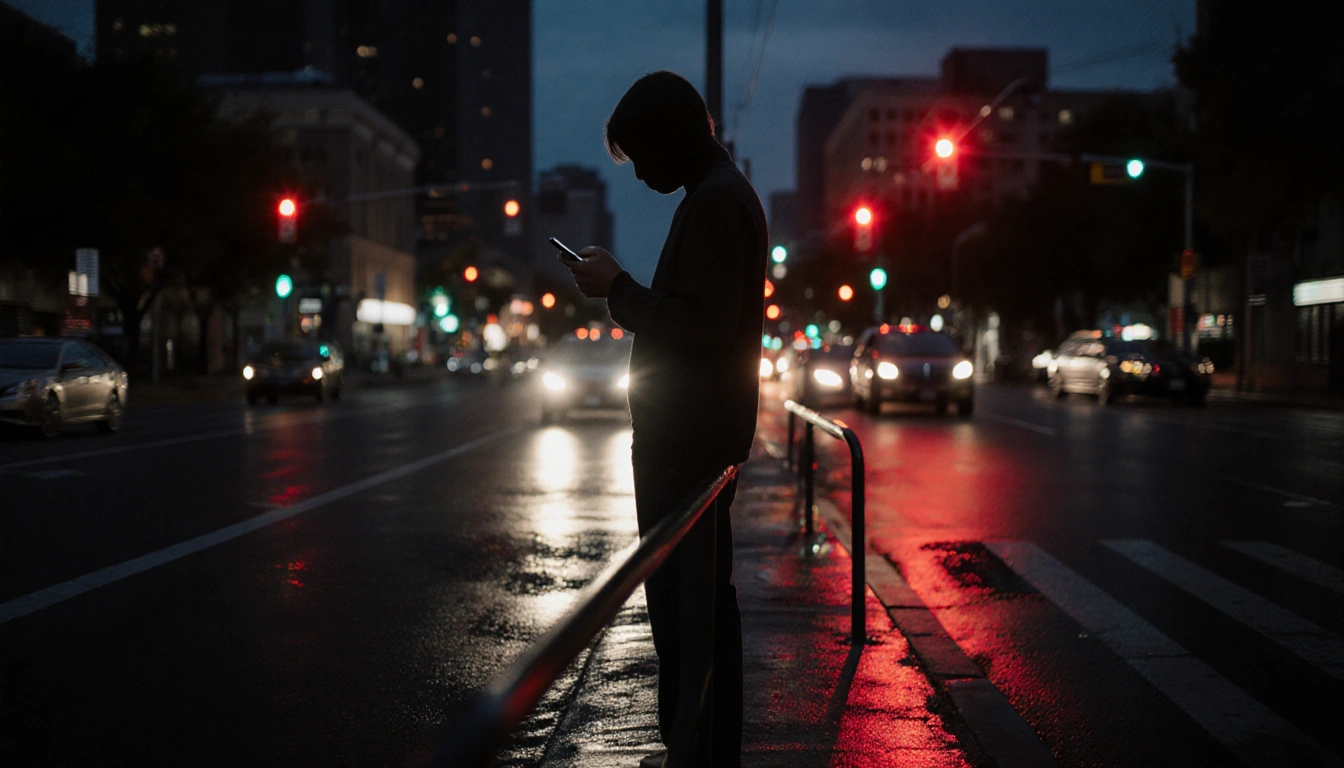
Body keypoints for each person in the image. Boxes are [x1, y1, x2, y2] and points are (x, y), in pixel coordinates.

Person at [560, 70, 767, 768]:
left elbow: (698, 326)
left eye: (643, 156)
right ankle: (697, 743)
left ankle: (698, 748)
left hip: (690, 444)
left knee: (688, 610)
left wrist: (616, 289)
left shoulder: (715, 203)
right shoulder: (716, 195)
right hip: (695, 439)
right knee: (695, 605)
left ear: (671, 139)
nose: (642, 175)